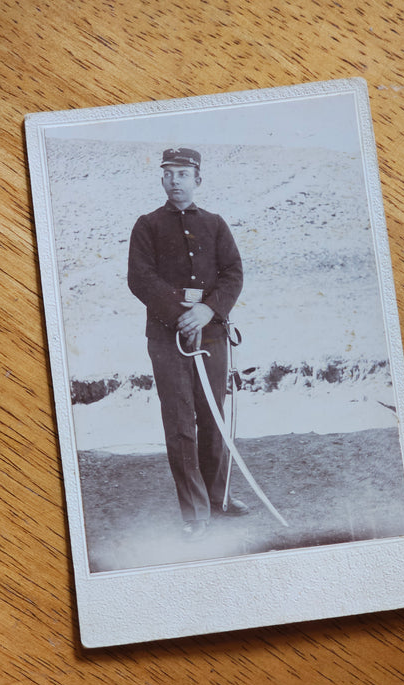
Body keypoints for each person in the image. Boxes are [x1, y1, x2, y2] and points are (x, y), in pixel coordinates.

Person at [128, 147, 248, 539]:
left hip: (212, 331)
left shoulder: (215, 224)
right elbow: (140, 279)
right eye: (169, 174)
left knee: (213, 415)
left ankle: (218, 500)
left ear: (198, 179)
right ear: (162, 180)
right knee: (180, 421)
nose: (176, 180)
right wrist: (181, 316)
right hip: (166, 337)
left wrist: (208, 311)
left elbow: (233, 273)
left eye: (183, 174)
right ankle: (195, 514)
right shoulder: (147, 225)